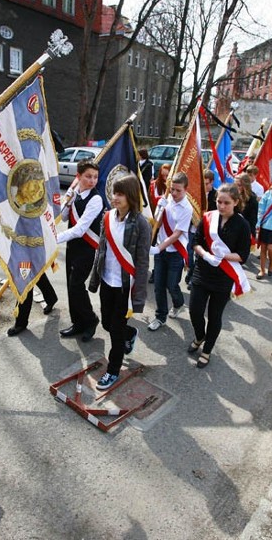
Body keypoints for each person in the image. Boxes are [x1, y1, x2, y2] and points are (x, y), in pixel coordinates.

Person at [87, 175, 151, 390]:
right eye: (114, 193)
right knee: (107, 323)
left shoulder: (141, 224)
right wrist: (95, 278)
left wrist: (138, 295)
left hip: (125, 286)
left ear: (131, 196)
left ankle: (113, 370)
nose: (115, 197)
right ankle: (130, 333)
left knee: (115, 330)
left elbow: (142, 263)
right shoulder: (107, 218)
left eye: (120, 194)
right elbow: (101, 250)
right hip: (107, 280)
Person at [188, 183, 252, 368]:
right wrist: (205, 254)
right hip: (202, 271)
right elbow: (196, 241)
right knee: (194, 310)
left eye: (226, 202)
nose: (222, 206)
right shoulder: (208, 217)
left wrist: (221, 256)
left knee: (215, 316)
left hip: (223, 276)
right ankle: (200, 336)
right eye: (219, 202)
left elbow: (243, 255)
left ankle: (207, 350)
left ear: (236, 202)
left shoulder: (242, 224)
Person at [57, 159, 104, 342]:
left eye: (95, 177)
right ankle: (78, 323)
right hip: (73, 247)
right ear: (78, 176)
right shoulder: (75, 193)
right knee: (71, 286)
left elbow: (80, 229)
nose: (92, 181)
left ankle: (91, 320)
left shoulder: (96, 199)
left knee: (77, 285)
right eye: (88, 176)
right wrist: (68, 198)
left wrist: (53, 239)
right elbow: (63, 217)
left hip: (87, 248)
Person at [148, 171, 193, 331]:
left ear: (186, 189)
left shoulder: (187, 208)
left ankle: (179, 303)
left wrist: (158, 248)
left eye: (178, 190)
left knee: (171, 285)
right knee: (158, 285)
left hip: (175, 252)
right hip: (161, 250)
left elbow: (177, 233)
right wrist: (159, 208)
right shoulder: (167, 199)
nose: (174, 193)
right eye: (172, 189)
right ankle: (160, 317)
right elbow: (157, 223)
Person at [235, 173, 259, 248]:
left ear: (245, 185)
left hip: (244, 230)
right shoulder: (232, 194)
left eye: (239, 185)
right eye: (235, 185)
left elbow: (252, 219)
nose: (236, 187)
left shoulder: (252, 199)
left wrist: (250, 234)